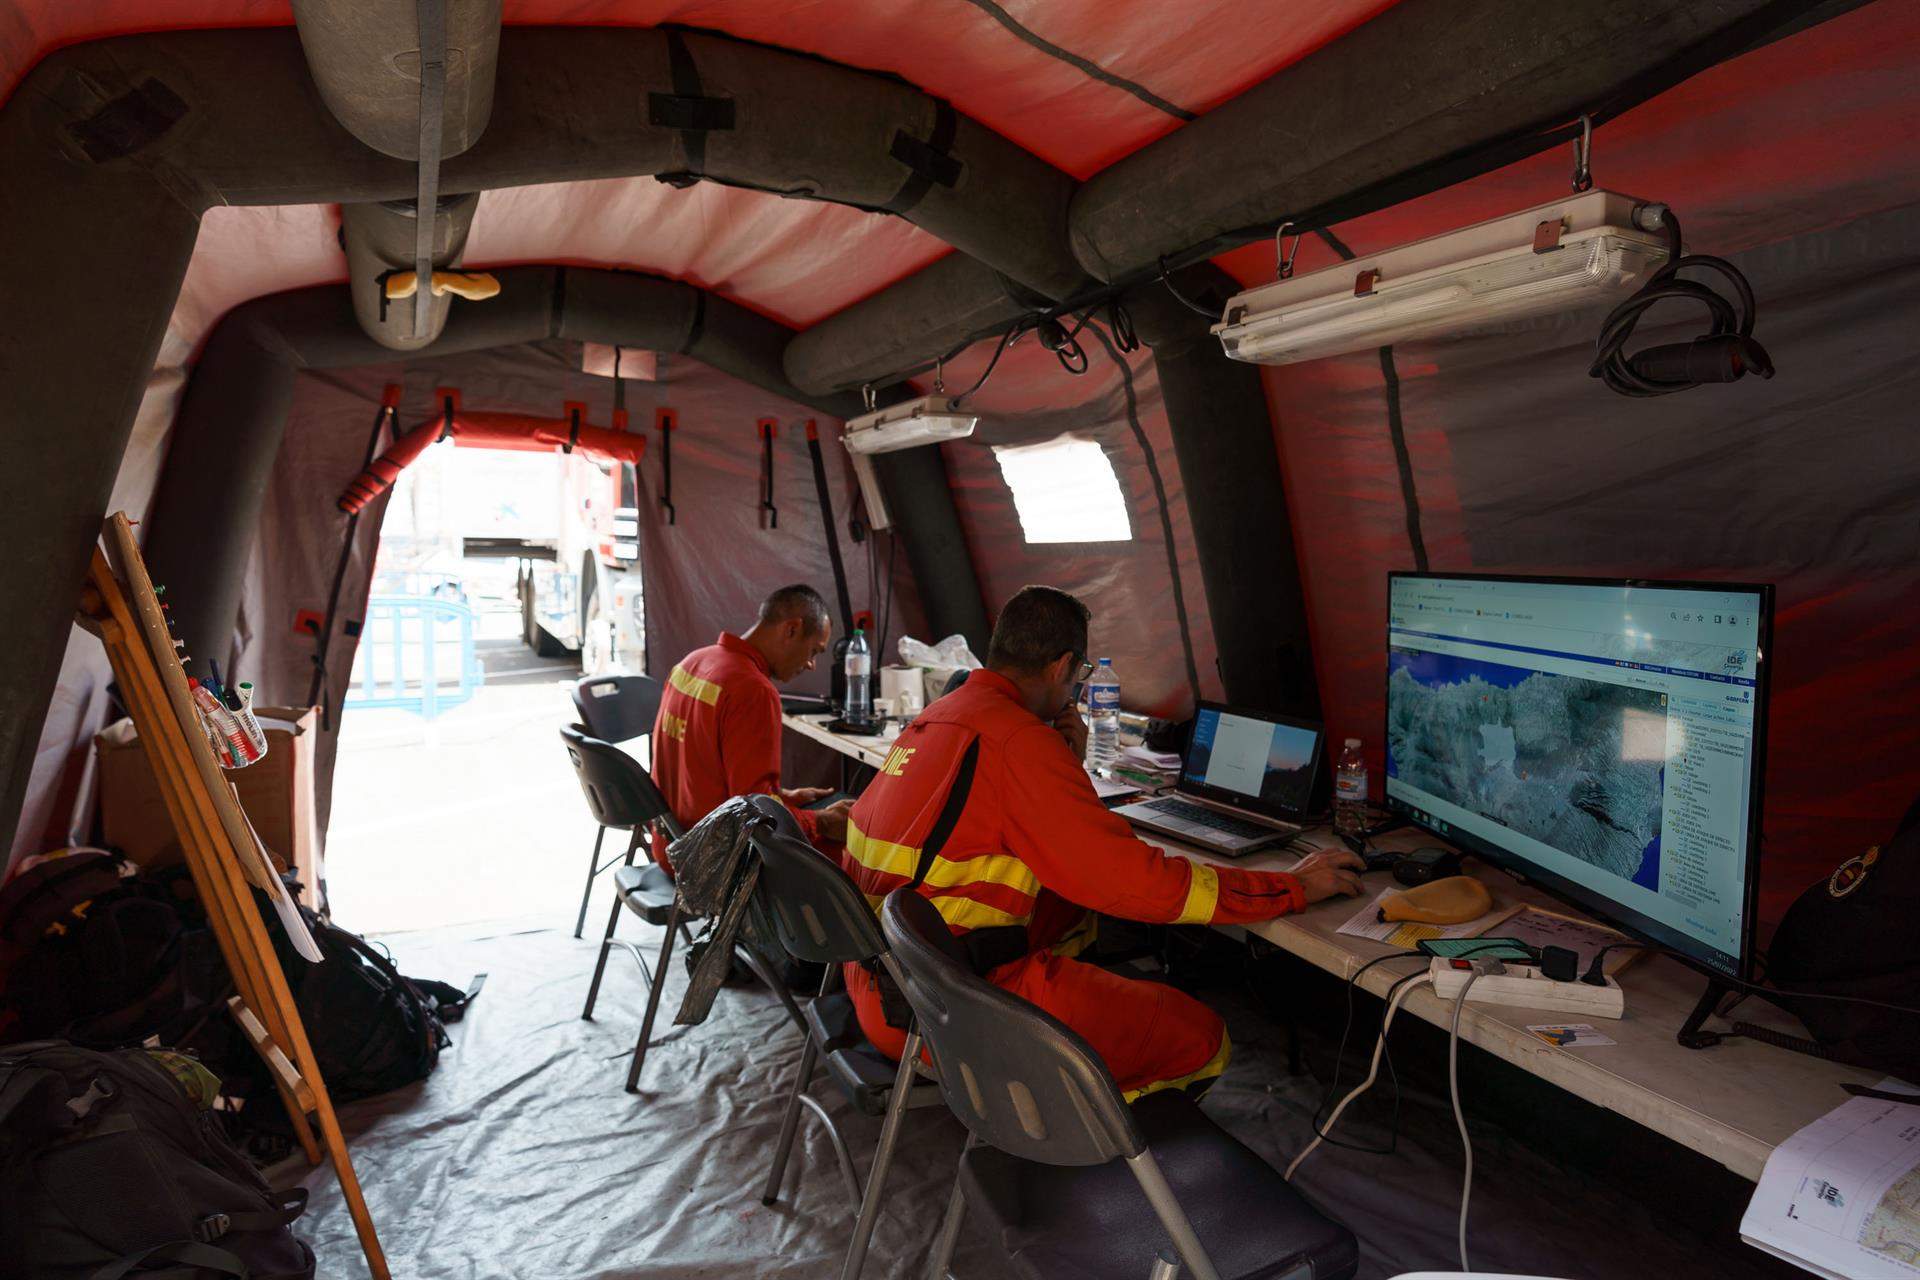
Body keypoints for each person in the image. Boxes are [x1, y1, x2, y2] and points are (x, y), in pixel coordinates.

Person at [838, 585, 1365, 1099]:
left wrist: (1062, 763)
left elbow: (1006, 822)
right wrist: (1286, 888)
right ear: (1062, 667)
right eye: (1081, 676)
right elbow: (1135, 885)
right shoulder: (1020, 742)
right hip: (942, 1011)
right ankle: (1092, 1166)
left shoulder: (940, 716)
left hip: (881, 984)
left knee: (1075, 918)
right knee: (1202, 1038)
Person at [649, 585, 852, 872]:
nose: (810, 665)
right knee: (851, 853)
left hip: (669, 843)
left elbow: (702, 772)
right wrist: (821, 821)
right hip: (707, 863)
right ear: (792, 629)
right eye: (813, 651)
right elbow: (755, 818)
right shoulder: (752, 690)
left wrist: (783, 798)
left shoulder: (693, 661)